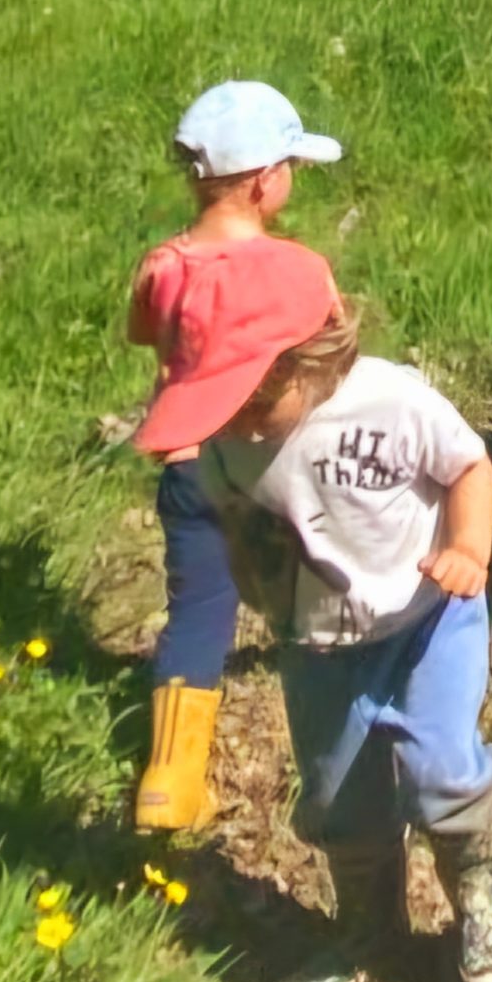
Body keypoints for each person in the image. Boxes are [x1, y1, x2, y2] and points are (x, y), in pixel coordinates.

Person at [199, 301, 492, 982]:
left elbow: (468, 463)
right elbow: (237, 518)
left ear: (306, 360)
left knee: (441, 768)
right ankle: (369, 930)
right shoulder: (225, 432)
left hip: (426, 618)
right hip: (318, 645)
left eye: (260, 401)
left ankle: (485, 894)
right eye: (229, 406)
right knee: (336, 795)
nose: (249, 422)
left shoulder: (388, 398)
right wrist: (256, 585)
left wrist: (470, 547)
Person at [124, 80, 346, 833]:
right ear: (264, 182)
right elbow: (331, 361)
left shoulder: (164, 266)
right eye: (290, 164)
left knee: (197, 613)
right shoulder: (302, 270)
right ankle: (340, 715)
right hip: (280, 468)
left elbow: (163, 357)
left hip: (191, 464)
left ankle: (168, 779)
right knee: (315, 589)